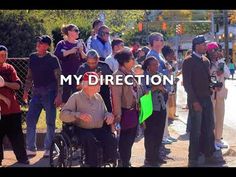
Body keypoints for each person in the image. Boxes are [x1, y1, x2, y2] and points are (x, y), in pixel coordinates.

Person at [182, 35, 225, 166]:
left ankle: (209, 155)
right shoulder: (188, 61)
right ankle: (193, 158)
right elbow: (187, 84)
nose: (206, 46)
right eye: (203, 44)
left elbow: (208, 80)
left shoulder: (205, 60)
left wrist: (214, 85)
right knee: (196, 130)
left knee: (209, 127)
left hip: (207, 98)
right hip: (196, 100)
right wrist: (194, 102)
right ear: (197, 45)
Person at [60, 72, 117, 167]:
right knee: (90, 139)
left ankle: (107, 159)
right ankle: (91, 164)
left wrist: (109, 115)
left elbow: (105, 112)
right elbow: (63, 115)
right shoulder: (76, 97)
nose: (99, 85)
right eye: (97, 83)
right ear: (87, 85)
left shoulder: (98, 97)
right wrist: (78, 115)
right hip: (81, 129)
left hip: (98, 129)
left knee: (110, 139)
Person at [23, 35, 62, 157]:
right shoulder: (33, 57)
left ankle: (49, 148)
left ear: (46, 46)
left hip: (50, 93)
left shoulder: (52, 59)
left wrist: (59, 95)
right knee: (30, 119)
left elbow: (59, 78)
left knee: (50, 122)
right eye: (38, 42)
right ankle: (30, 148)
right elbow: (29, 76)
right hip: (36, 93)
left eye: (41, 43)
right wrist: (25, 91)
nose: (38, 44)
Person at [111, 48, 143, 167]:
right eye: (132, 59)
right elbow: (116, 97)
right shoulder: (117, 76)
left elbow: (136, 89)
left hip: (133, 110)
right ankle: (124, 162)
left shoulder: (131, 73)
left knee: (131, 138)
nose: (134, 61)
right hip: (123, 113)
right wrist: (118, 115)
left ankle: (126, 160)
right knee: (124, 140)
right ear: (125, 61)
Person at [0, 45, 29, 166]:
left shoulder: (9, 68)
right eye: (1, 55)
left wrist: (4, 83)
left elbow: (18, 85)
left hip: (13, 108)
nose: (3, 57)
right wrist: (2, 98)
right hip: (1, 110)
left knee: (17, 135)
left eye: (5, 54)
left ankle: (22, 158)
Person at [146, 32, 174, 145]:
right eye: (158, 39)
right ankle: (162, 137)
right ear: (152, 42)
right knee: (158, 117)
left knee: (164, 113)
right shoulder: (151, 54)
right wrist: (167, 70)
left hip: (163, 88)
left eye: (162, 39)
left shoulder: (159, 54)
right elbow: (153, 72)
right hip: (156, 90)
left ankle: (165, 135)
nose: (161, 41)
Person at [142, 57, 168, 166]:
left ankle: (157, 156)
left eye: (157, 64)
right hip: (148, 107)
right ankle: (149, 158)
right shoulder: (144, 77)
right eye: (154, 64)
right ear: (148, 66)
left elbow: (166, 90)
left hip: (161, 107)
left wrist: (163, 89)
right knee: (149, 134)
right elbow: (144, 93)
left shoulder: (160, 76)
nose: (156, 66)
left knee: (159, 133)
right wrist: (155, 87)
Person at [54, 24, 87, 104]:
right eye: (76, 30)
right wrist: (70, 51)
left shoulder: (81, 43)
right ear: (69, 32)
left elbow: (85, 59)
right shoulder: (62, 43)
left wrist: (81, 51)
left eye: (78, 30)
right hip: (66, 74)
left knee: (79, 95)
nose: (78, 32)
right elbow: (56, 56)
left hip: (78, 74)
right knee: (66, 96)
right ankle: (65, 113)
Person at [206, 42, 230, 150]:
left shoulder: (221, 63)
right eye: (212, 50)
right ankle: (211, 141)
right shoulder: (206, 63)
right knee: (212, 119)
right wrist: (214, 85)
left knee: (220, 117)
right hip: (211, 94)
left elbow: (227, 74)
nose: (214, 52)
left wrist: (221, 68)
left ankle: (218, 139)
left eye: (216, 50)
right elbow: (206, 78)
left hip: (220, 94)